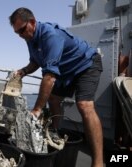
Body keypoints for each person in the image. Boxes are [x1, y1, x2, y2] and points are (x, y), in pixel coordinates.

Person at [9, 7, 103, 167]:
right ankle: (54, 133)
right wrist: (23, 71)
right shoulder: (30, 39)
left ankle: (99, 162)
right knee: (53, 99)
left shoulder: (50, 35)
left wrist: (37, 109)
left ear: (32, 22)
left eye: (22, 30)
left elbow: (50, 77)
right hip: (66, 72)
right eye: (17, 33)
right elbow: (36, 62)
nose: (21, 35)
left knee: (85, 106)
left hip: (86, 65)